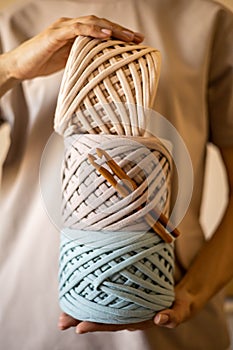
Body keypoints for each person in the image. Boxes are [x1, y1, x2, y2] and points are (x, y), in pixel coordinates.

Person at [0, 0, 232, 349]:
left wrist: (195, 292)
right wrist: (10, 68)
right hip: (25, 306)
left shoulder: (210, 21)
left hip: (164, 301)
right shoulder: (13, 22)